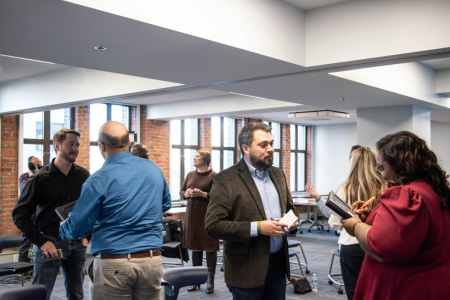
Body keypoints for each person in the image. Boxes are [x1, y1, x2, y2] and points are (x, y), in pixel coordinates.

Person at [59, 121, 171, 300]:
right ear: (129, 143)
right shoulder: (153, 169)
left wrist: (64, 227)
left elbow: (76, 228)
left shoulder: (98, 180)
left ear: (101, 145)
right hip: (151, 262)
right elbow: (165, 205)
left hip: (114, 264)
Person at [342, 131, 450, 300]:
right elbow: (407, 232)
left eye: (382, 168)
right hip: (431, 284)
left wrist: (356, 226)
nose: (382, 175)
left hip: (403, 287)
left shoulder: (408, 194)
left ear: (399, 165)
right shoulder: (435, 190)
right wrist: (372, 218)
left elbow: (383, 249)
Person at [205, 122, 298, 300]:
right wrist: (259, 228)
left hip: (278, 265)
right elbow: (213, 226)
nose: (270, 149)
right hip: (245, 269)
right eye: (263, 145)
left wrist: (293, 221)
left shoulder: (278, 174)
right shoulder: (226, 179)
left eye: (271, 143)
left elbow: (290, 208)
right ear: (246, 148)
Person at [13, 129, 90, 300]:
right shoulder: (40, 178)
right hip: (49, 245)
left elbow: (90, 208)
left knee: (77, 295)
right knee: (40, 295)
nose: (75, 149)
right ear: (57, 146)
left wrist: (88, 234)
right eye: (70, 144)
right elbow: (19, 214)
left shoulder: (84, 175)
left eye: (77, 145)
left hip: (77, 245)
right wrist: (41, 242)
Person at [306, 146, 385, 300]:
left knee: (355, 292)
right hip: (376, 244)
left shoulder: (345, 188)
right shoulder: (383, 186)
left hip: (351, 247)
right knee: (376, 291)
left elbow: (335, 224)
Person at [180, 150, 218, 294]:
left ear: (205, 159)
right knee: (195, 248)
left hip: (208, 217)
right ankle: (195, 281)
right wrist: (187, 194)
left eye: (197, 156)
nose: (194, 158)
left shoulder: (214, 176)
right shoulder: (190, 174)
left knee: (210, 248)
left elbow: (218, 196)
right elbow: (182, 191)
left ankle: (210, 281)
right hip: (193, 216)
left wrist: (202, 194)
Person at [17, 156, 43, 267]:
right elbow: (26, 190)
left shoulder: (42, 176)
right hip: (30, 215)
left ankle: (45, 264)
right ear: (31, 165)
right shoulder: (24, 177)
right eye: (37, 164)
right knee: (26, 242)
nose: (39, 166)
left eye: (39, 163)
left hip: (41, 214)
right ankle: (23, 268)